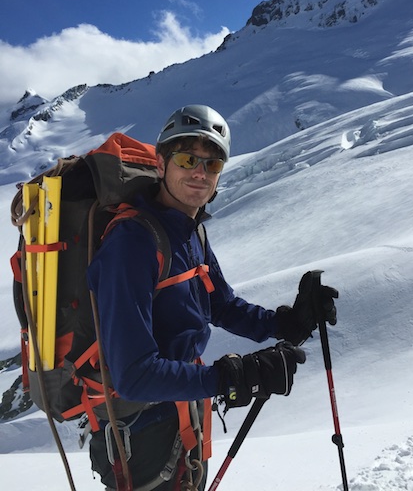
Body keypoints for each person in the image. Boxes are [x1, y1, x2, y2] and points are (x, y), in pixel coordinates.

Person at [87, 104, 339, 491]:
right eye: (188, 159)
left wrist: (287, 324)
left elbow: (220, 305)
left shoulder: (189, 230)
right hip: (140, 433)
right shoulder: (133, 242)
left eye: (212, 164)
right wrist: (230, 378)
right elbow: (134, 376)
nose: (200, 173)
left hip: (183, 411)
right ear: (161, 163)